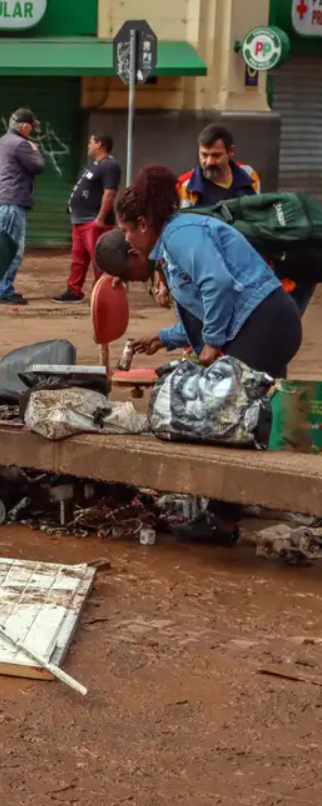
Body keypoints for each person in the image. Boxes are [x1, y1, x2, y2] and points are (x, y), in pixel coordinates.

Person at [94, 166, 302, 543]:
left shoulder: (180, 234)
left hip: (266, 322)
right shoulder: (174, 242)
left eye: (126, 230)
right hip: (262, 323)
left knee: (221, 415)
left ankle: (222, 523)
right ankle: (232, 511)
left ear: (142, 224)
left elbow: (218, 283)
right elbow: (208, 306)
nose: (127, 237)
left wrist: (212, 343)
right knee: (244, 421)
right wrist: (165, 337)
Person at [177, 124, 314, 316]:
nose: (208, 162)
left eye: (216, 156)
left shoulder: (249, 176)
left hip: (250, 263)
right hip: (211, 269)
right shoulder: (185, 187)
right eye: (204, 155)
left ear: (231, 152)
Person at [54, 133, 120, 303]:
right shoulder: (93, 165)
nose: (87, 146)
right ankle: (74, 291)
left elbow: (110, 192)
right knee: (78, 260)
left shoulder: (110, 165)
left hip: (94, 221)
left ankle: (104, 295)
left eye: (90, 142)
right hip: (80, 220)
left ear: (99, 144)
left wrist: (100, 218)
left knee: (100, 260)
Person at [0, 108, 45, 305]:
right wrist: (34, 149)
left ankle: (2, 288)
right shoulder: (21, 144)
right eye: (31, 126)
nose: (32, 131)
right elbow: (39, 166)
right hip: (13, 204)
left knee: (5, 248)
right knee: (13, 250)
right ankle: (3, 291)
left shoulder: (4, 140)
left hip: (5, 202)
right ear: (24, 126)